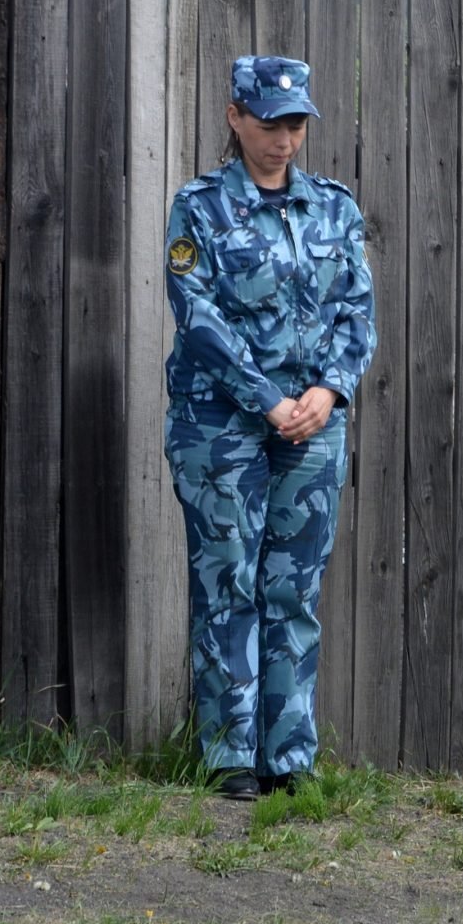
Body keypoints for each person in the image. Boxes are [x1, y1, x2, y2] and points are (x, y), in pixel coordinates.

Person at [164, 56, 376, 801]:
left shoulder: (333, 208)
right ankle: (230, 755)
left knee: (293, 592)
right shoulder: (198, 209)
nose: (283, 140)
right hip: (221, 425)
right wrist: (266, 399)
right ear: (235, 118)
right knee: (229, 585)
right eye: (268, 123)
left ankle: (289, 756)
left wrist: (329, 390)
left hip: (312, 425)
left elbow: (357, 310)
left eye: (295, 125)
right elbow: (198, 315)